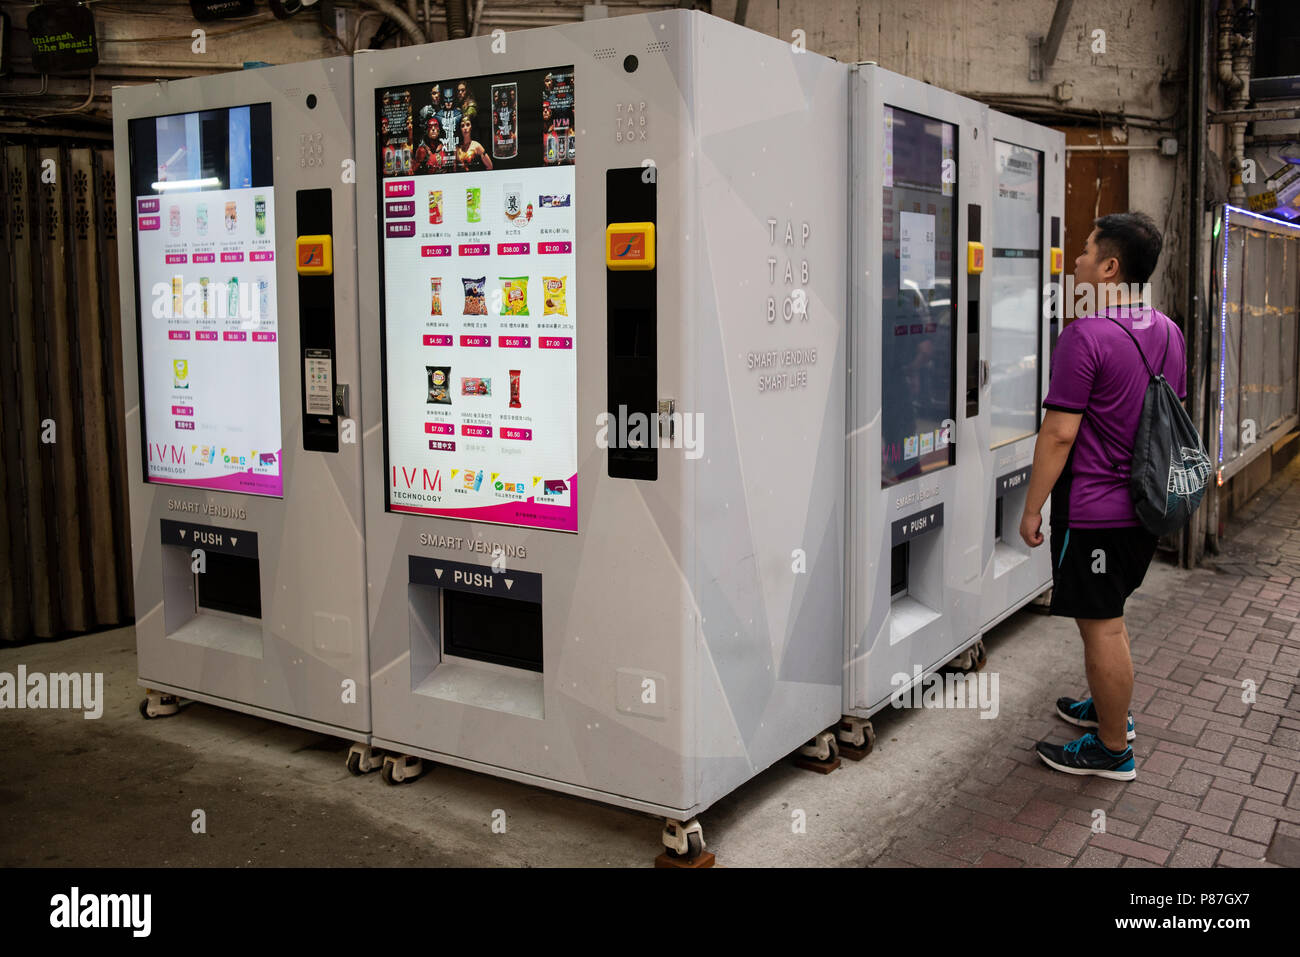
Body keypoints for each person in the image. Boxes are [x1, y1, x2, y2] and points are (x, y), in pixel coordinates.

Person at [1019, 211, 1187, 781]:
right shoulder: (1167, 330)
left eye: (1087, 251)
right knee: (1108, 617)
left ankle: (1113, 749)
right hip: (1143, 508)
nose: (1077, 260)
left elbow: (1060, 432)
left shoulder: (1084, 336)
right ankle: (1108, 707)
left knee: (1103, 625)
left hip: (1097, 513)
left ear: (1111, 268)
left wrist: (1031, 505)